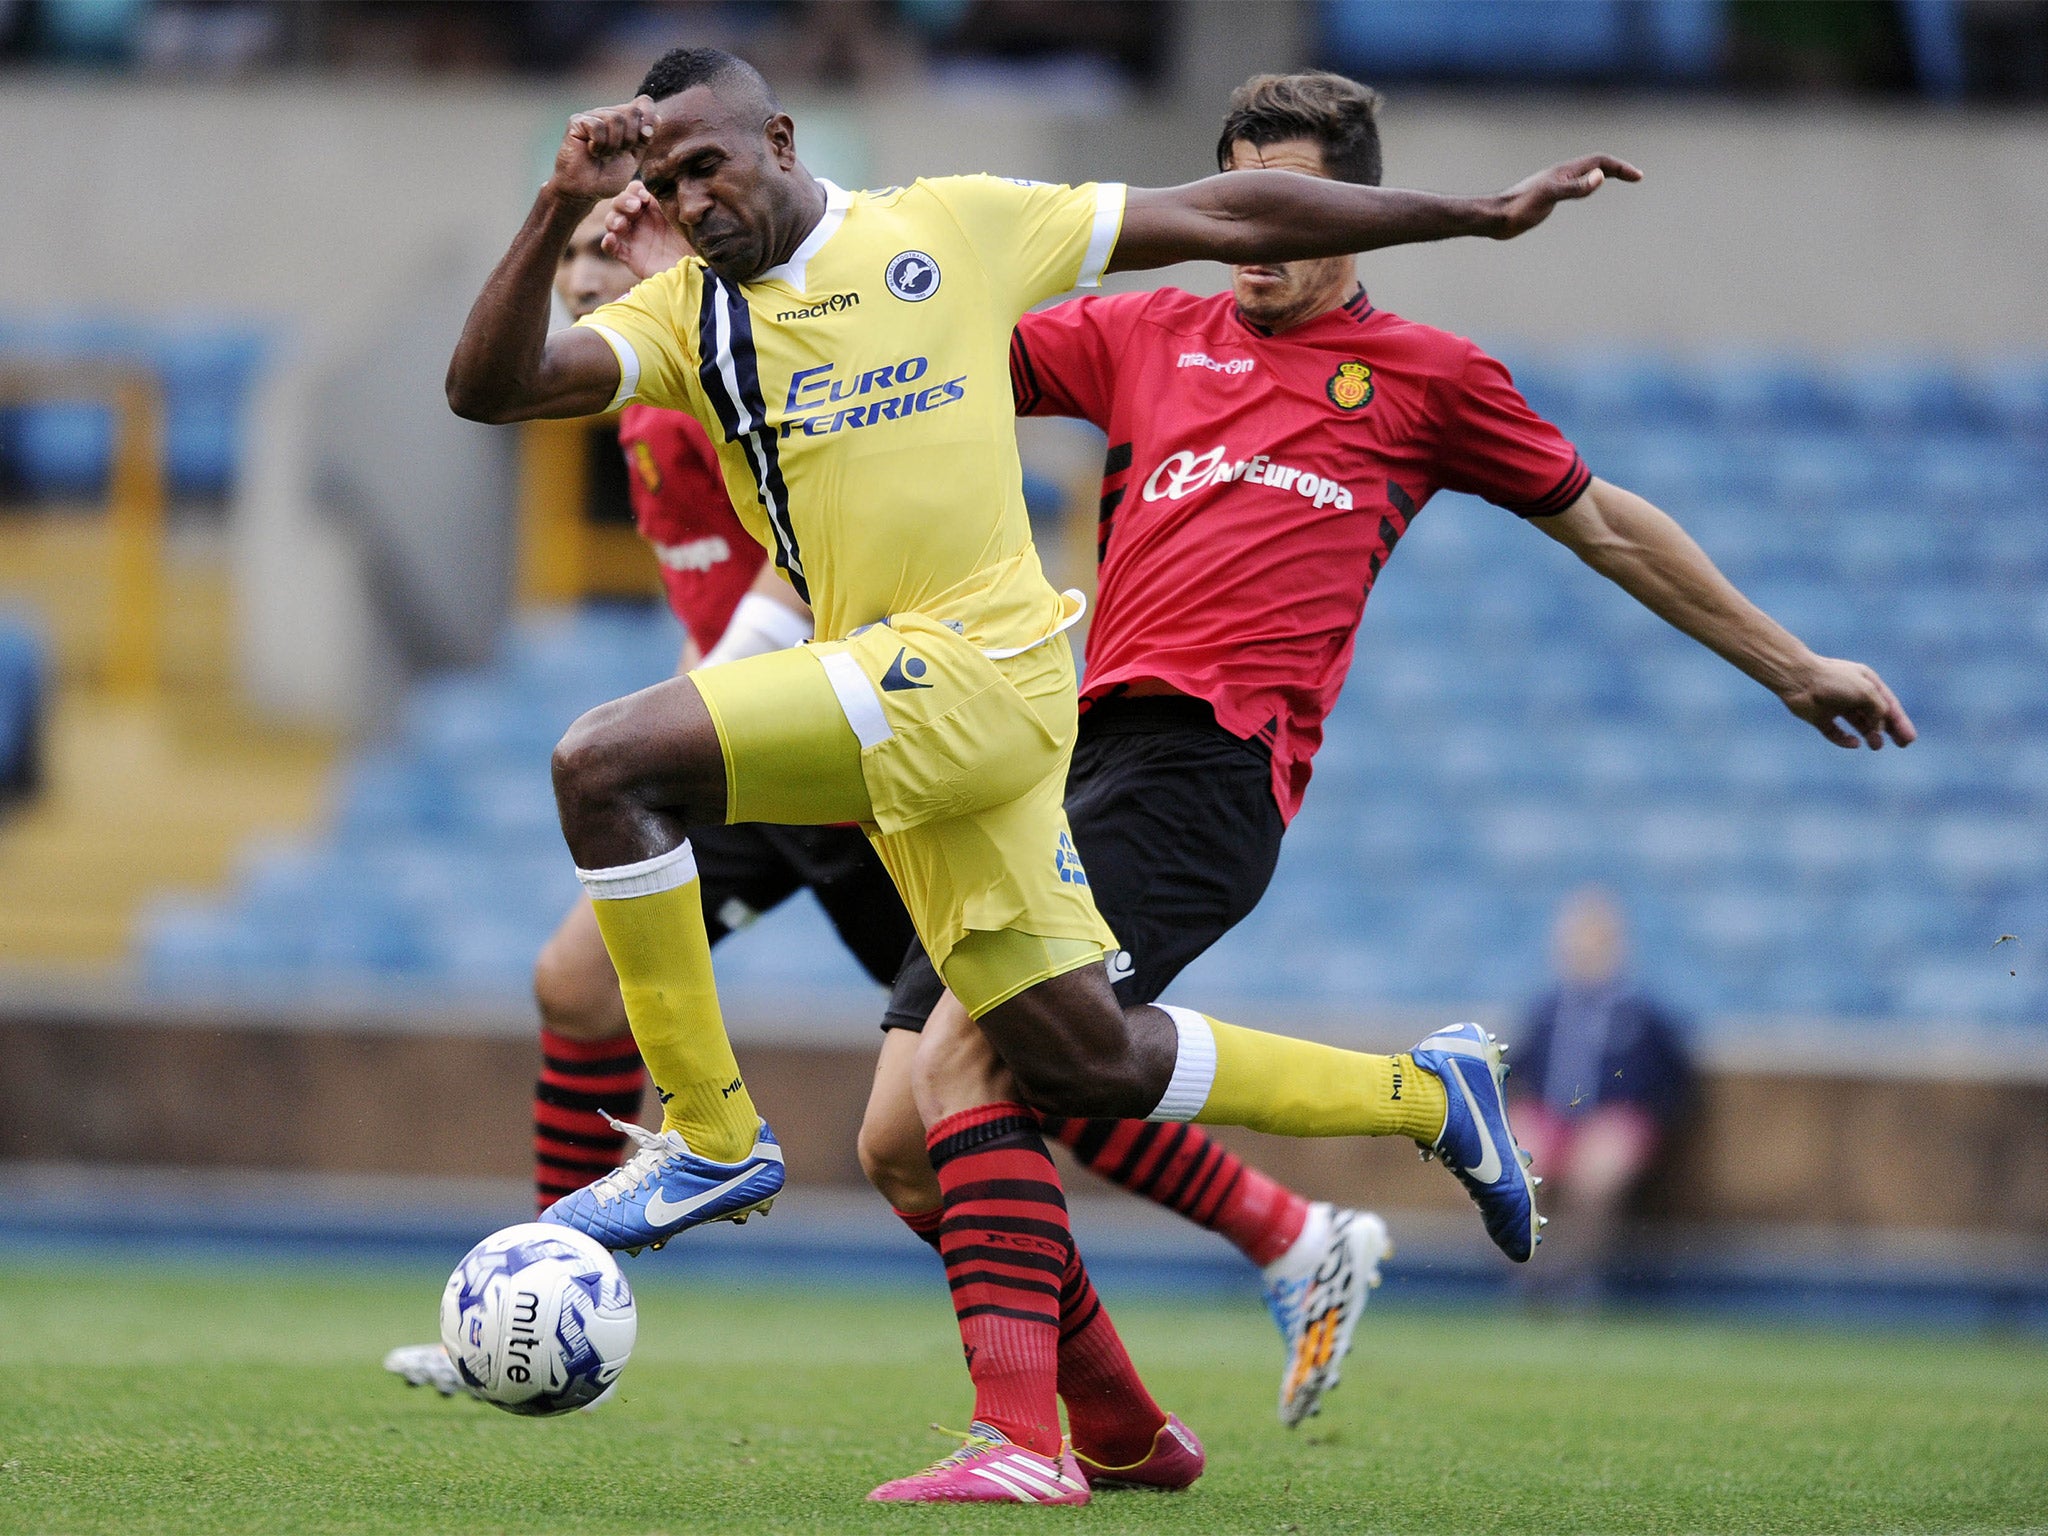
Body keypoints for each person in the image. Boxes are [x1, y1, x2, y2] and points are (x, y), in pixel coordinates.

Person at [446, 43, 1654, 1501]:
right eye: (662, 181)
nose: (689, 200)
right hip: (929, 742)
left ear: (777, 137)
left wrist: (1472, 216)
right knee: (1077, 1059)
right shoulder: (688, 315)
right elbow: (491, 389)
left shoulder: (947, 225)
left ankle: (709, 1138)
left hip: (983, 678)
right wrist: (546, 210)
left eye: (709, 166)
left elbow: (1227, 217)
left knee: (602, 764)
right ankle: (1403, 1118)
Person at [843, 66, 1915, 1492]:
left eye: (1291, 206)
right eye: (1237, 206)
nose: (1258, 238)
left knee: (985, 1058)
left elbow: (1610, 529)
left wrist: (1791, 662)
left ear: (1361, 211)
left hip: (1204, 770)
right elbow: (933, 365)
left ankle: (1017, 1443)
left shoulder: (1429, 378)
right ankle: (1121, 1431)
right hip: (1053, 759)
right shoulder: (1139, 331)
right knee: (900, 1138)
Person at [399, 190, 1382, 1430]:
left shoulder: (723, 350)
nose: (590, 270)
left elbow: (805, 549)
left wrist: (706, 713)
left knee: (983, 1066)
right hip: (792, 743)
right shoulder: (636, 400)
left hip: (850, 733)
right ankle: (544, 1284)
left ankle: (563, 1266)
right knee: (982, 1061)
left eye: (611, 242)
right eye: (579, 249)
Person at [1508, 889, 1695, 1302]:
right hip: (1551, 1118)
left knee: (1599, 1168)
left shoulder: (1643, 1015)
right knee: (1507, 1162)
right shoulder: (1546, 1010)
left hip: (1611, 1121)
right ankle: (1529, 1275)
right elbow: (1518, 1075)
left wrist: (1634, 1123)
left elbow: (1672, 1087)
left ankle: (1573, 1275)